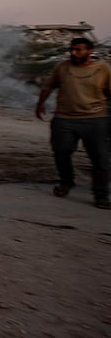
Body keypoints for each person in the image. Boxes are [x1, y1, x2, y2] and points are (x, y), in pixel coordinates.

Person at [34, 37, 110, 209]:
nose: (74, 53)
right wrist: (40, 104)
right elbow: (48, 86)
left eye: (78, 50)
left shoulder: (102, 69)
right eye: (72, 49)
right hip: (64, 118)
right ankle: (66, 182)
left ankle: (101, 196)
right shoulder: (62, 67)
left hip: (95, 119)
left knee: (100, 159)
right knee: (61, 151)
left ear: (89, 51)